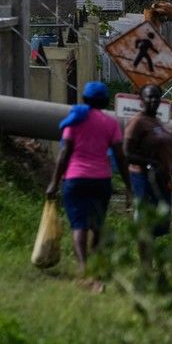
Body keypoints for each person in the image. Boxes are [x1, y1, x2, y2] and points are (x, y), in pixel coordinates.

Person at [46, 81, 132, 277]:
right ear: (105, 102)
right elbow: (120, 156)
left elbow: (65, 152)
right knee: (97, 224)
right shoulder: (111, 124)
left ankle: (83, 266)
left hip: (75, 179)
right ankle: (94, 262)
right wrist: (129, 185)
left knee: (79, 225)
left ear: (84, 99)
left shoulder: (75, 119)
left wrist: (53, 182)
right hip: (101, 181)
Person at [124, 84, 172, 252]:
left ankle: (151, 262)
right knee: (146, 223)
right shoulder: (137, 122)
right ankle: (146, 266)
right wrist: (150, 163)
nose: (153, 100)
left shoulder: (158, 122)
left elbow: (167, 157)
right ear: (141, 100)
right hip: (144, 178)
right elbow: (126, 154)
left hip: (162, 179)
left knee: (160, 224)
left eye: (156, 97)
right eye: (149, 97)